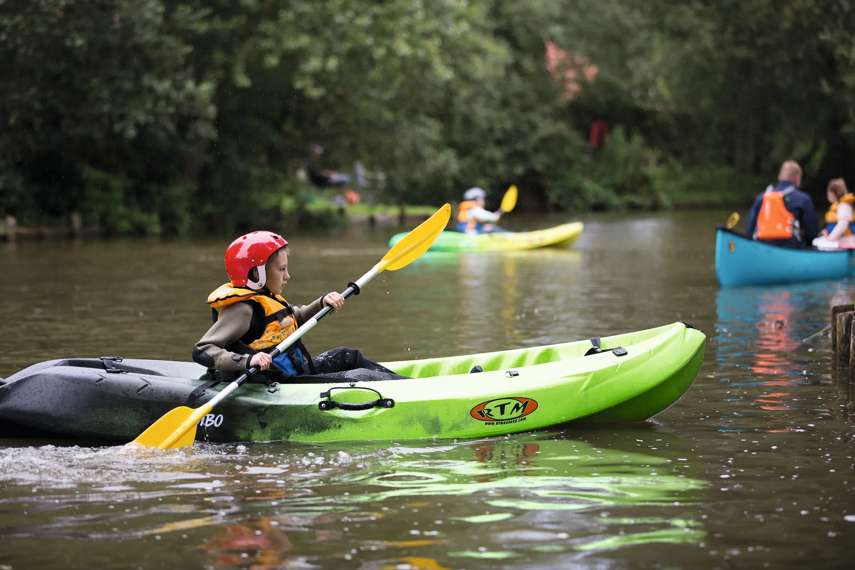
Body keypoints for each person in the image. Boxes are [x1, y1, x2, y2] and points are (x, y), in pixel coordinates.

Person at [193, 231, 404, 382]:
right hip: (277, 382)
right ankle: (408, 390)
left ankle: (407, 384)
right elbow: (203, 350)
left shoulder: (267, 298)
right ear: (257, 274)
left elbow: (291, 318)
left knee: (348, 356)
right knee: (360, 378)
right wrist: (248, 361)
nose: (287, 276)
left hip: (295, 371)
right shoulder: (243, 309)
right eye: (281, 269)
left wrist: (322, 302)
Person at [745, 160, 819, 248]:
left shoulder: (762, 197)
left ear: (780, 176)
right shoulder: (803, 199)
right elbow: (811, 232)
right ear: (797, 178)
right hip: (790, 247)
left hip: (762, 245)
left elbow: (749, 228)